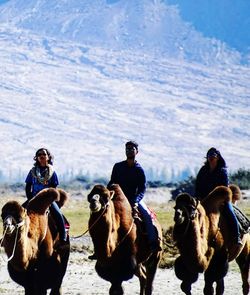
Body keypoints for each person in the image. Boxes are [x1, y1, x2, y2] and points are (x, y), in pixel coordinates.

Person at [108, 141, 160, 250]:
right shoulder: (118, 167)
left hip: (133, 199)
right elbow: (112, 182)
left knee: (147, 215)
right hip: (118, 199)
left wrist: (136, 200)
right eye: (127, 149)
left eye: (132, 149)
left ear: (137, 152)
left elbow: (142, 189)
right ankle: (100, 249)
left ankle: (153, 243)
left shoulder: (139, 170)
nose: (129, 151)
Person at [195, 147, 242, 246]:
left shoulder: (222, 171)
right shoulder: (203, 170)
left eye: (213, 156)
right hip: (204, 200)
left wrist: (220, 199)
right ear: (207, 158)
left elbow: (224, 186)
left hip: (220, 200)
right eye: (210, 156)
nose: (211, 158)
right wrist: (198, 197)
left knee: (229, 212)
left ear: (218, 158)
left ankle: (236, 236)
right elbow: (198, 185)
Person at [25, 148, 67, 245]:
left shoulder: (52, 172)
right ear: (37, 158)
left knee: (58, 214)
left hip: (48, 200)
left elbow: (54, 187)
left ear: (48, 157)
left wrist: (48, 199)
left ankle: (63, 236)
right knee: (19, 213)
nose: (41, 156)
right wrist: (30, 199)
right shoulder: (32, 172)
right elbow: (28, 187)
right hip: (34, 198)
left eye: (43, 154)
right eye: (39, 154)